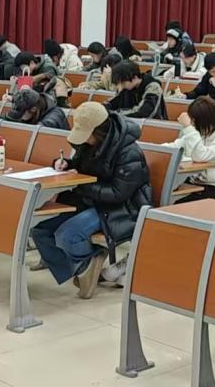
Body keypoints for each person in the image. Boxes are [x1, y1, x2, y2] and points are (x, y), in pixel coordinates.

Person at [32, 102, 152, 299]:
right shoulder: (90, 144)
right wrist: (64, 164)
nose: (83, 140)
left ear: (99, 131)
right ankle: (83, 267)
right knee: (40, 231)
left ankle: (88, 262)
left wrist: (81, 185)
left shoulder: (128, 152)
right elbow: (81, 168)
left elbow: (118, 193)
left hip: (121, 209)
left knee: (67, 235)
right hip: (91, 200)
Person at [171, 97, 215, 202]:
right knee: (168, 197)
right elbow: (178, 145)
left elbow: (201, 156)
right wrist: (157, 150)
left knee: (178, 204)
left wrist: (189, 128)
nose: (193, 126)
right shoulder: (204, 128)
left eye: (195, 123)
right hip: (198, 183)